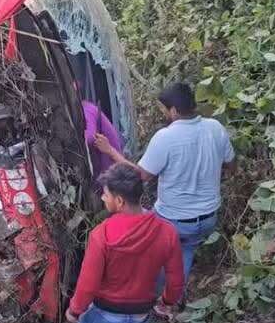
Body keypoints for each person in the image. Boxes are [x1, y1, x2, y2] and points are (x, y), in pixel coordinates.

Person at [94, 81, 235, 287]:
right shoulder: (215, 128)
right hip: (208, 217)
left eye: (164, 110)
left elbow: (140, 176)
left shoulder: (166, 137)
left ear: (175, 110)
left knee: (151, 244)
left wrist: (109, 151)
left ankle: (157, 296)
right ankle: (170, 299)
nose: (164, 114)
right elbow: (231, 165)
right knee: (183, 251)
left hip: (174, 220)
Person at [66, 163, 184, 323]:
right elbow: (176, 280)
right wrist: (166, 301)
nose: (103, 198)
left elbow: (88, 284)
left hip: (104, 313)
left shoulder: (101, 234)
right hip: (141, 314)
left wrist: (75, 311)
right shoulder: (167, 231)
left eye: (105, 195)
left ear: (119, 201)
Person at [82, 98, 124, 185]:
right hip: (109, 173)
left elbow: (90, 137)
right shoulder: (86, 108)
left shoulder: (86, 109)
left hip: (111, 173)